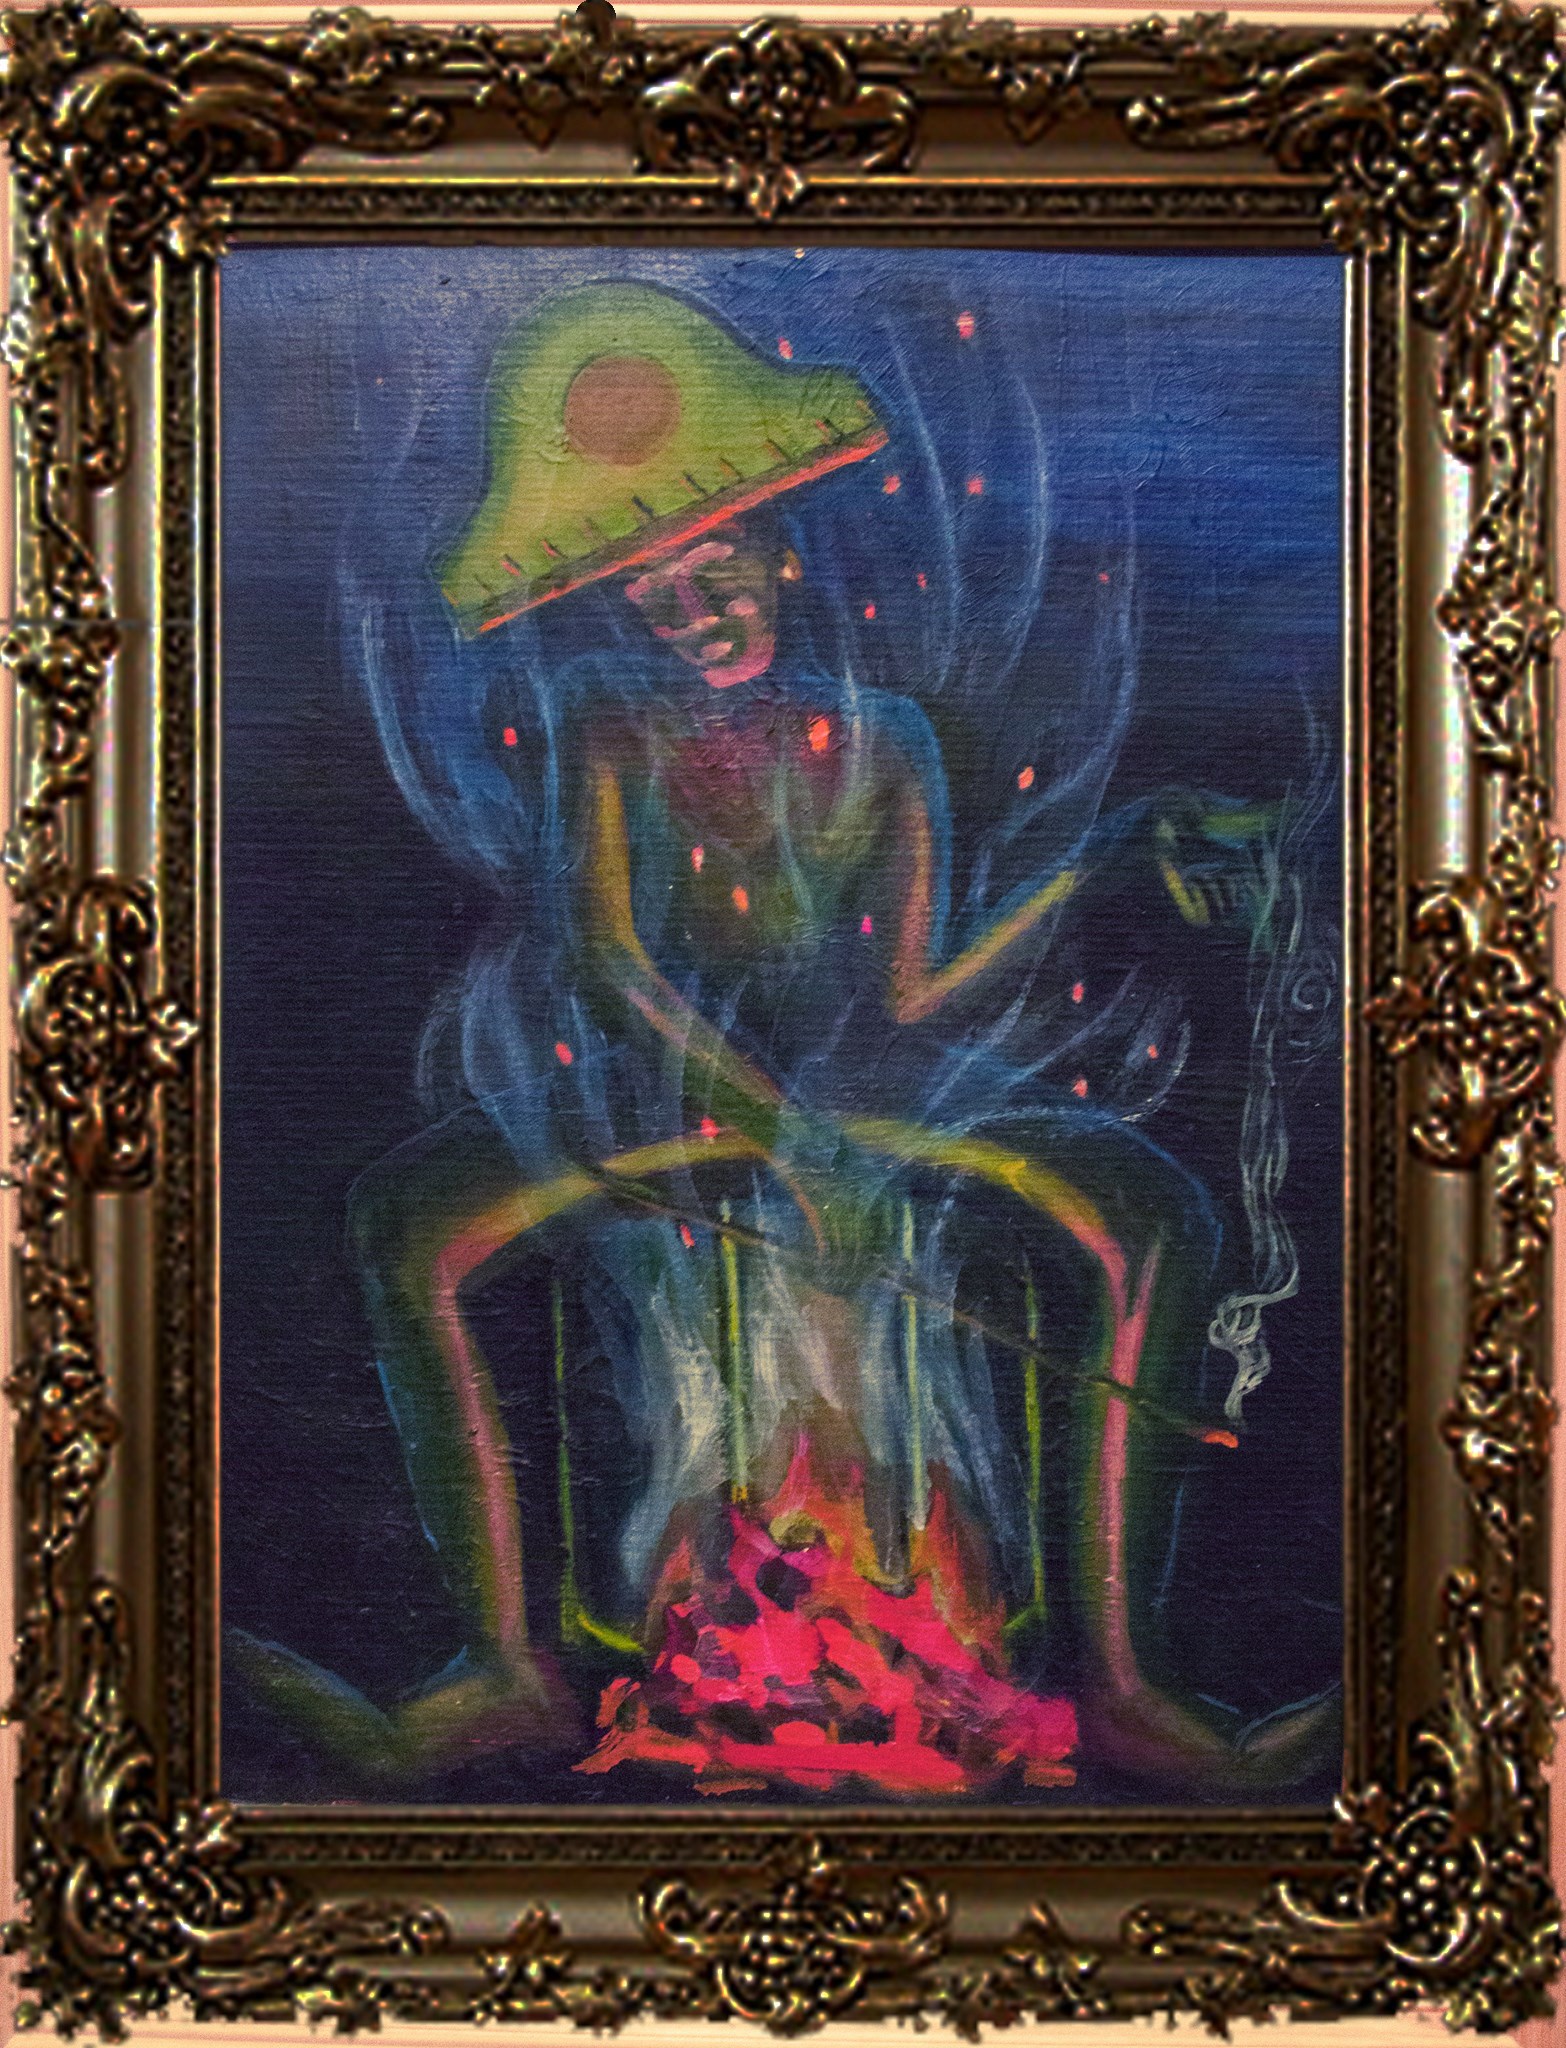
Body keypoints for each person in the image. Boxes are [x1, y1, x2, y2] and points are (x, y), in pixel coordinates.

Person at [233, 282, 1330, 1795]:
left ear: (780, 550)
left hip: (861, 1092)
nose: (693, 613)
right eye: (650, 591)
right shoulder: (610, 725)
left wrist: (1105, 856)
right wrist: (776, 1133)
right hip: (660, 1097)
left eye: (717, 568)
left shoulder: (884, 738)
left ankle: (1133, 1690)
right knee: (404, 1220)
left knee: (1155, 1213)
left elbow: (912, 997)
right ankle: (500, 1668)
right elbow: (612, 962)